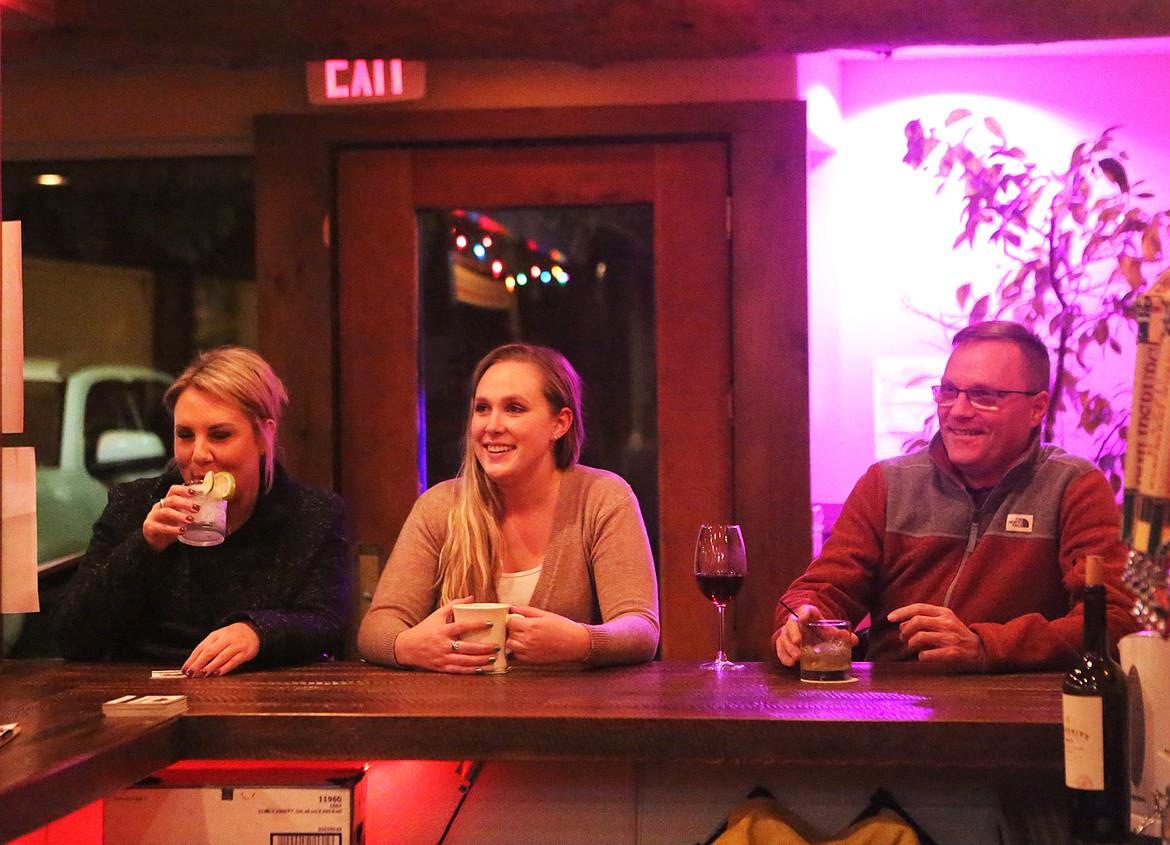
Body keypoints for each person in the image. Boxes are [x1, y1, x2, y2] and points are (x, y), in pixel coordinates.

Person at [774, 320, 1138, 672]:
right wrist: (799, 620)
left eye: (983, 396)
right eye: (949, 392)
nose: (959, 412)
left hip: (1016, 715)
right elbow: (823, 589)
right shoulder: (887, 483)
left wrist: (985, 646)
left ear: (1037, 409)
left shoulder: (1073, 487)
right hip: (891, 711)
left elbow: (1113, 619)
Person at [358, 342, 659, 672]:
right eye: (482, 408)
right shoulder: (441, 505)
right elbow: (376, 628)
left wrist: (580, 641)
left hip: (567, 714)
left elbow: (641, 628)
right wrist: (410, 647)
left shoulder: (601, 497)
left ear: (560, 424)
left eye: (514, 409)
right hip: (460, 715)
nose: (491, 426)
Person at [54, 347, 351, 676]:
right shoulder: (135, 504)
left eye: (220, 435)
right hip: (143, 692)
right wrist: (144, 547)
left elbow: (325, 623)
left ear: (264, 436)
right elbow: (71, 635)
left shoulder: (311, 514)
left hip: (259, 698)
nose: (199, 455)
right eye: (184, 435)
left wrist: (258, 633)